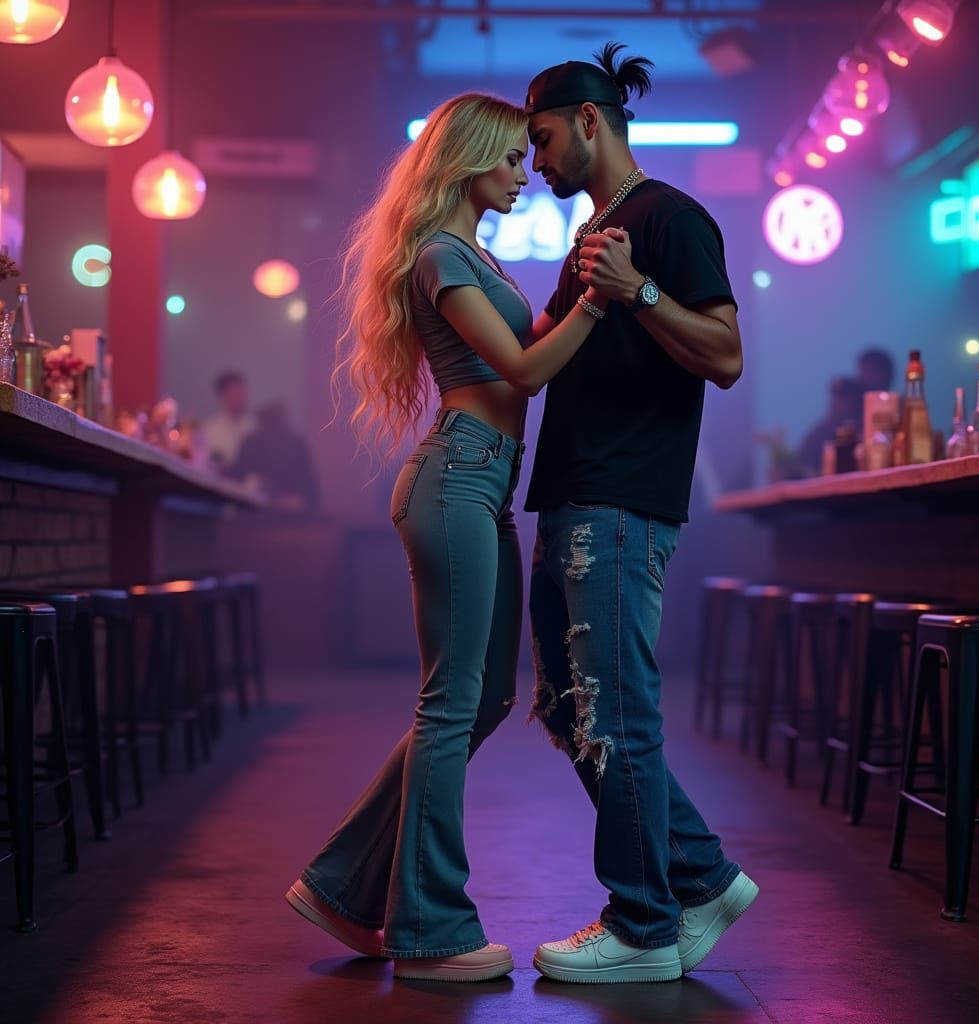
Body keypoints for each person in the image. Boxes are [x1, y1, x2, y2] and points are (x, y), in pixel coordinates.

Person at [286, 93, 607, 983]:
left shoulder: (475, 256)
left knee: (489, 699)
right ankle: (428, 929)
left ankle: (344, 886)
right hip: (457, 476)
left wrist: (584, 283)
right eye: (510, 159)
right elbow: (526, 368)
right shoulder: (438, 255)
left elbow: (534, 337)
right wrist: (596, 306)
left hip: (484, 485)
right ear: (469, 160)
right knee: (451, 701)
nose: (523, 174)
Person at [522, 43, 757, 984]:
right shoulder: (593, 234)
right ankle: (699, 875)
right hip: (575, 495)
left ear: (589, 121)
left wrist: (642, 292)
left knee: (614, 708)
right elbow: (538, 350)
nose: (534, 163)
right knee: (563, 705)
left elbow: (727, 354)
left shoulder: (668, 219)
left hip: (622, 502)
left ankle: (645, 924)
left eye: (540, 141)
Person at [229, 401, 321, 512]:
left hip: (289, 517)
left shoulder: (296, 444)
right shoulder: (252, 443)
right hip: (258, 515)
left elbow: (311, 493)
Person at [796, 375, 862, 477]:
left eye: (844, 399)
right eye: (836, 398)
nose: (837, 403)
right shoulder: (818, 434)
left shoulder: (863, 431)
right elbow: (801, 465)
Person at [203, 370, 256, 471]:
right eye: (234, 392)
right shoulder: (209, 431)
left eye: (241, 392)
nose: (239, 397)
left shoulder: (255, 427)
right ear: (222, 396)